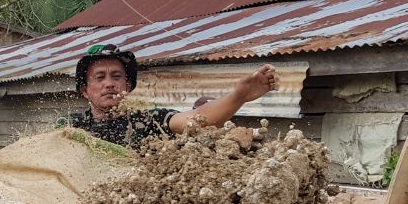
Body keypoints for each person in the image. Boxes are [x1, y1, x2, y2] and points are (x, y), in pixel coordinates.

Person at [62, 43, 279, 146]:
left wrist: (238, 96)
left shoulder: (148, 121)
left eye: (116, 76)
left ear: (127, 86)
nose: (109, 84)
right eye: (100, 77)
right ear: (85, 90)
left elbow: (195, 120)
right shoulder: (70, 126)